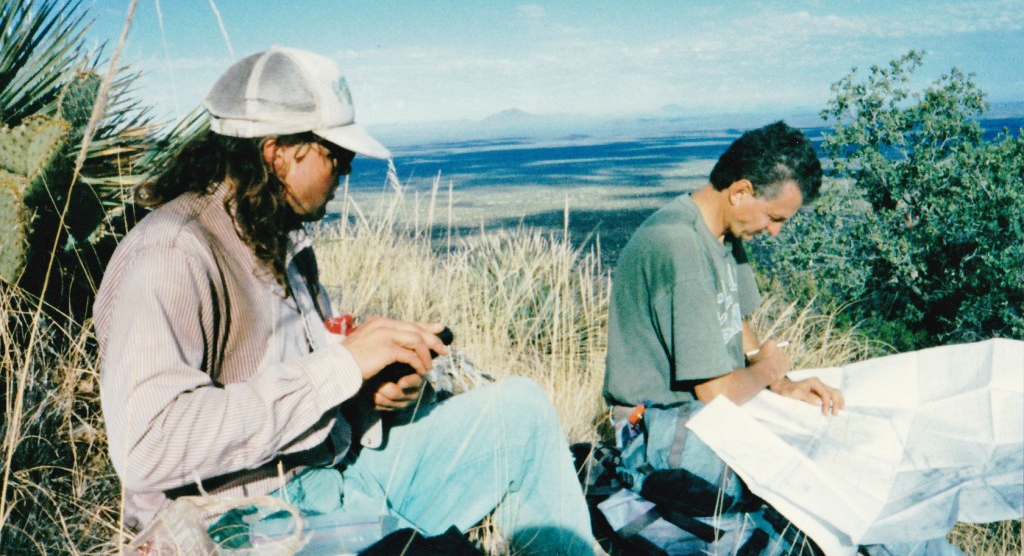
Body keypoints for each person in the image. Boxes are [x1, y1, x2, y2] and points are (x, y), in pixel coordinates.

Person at [95, 46, 596, 554]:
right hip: (241, 518)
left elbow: (291, 406)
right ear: (277, 153)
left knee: (521, 414)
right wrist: (342, 366)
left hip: (334, 474)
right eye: (337, 155)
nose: (348, 171)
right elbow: (147, 446)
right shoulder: (172, 252)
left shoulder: (279, 237)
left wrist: (363, 398)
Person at [602, 121, 844, 551]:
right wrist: (769, 367)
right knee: (829, 490)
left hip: (700, 418)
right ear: (740, 191)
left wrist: (779, 383)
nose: (775, 232)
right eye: (773, 218)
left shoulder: (719, 233)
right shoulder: (680, 246)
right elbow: (714, 390)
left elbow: (735, 320)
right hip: (664, 432)